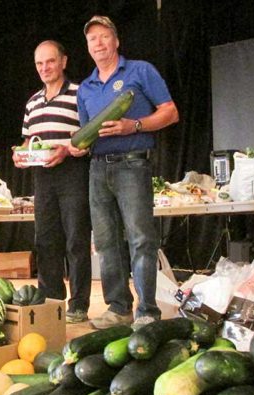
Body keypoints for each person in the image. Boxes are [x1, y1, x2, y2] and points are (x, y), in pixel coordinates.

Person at [74, 16, 179, 329]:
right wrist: (78, 146)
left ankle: (147, 311)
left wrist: (132, 125)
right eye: (92, 39)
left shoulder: (140, 71)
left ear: (116, 41)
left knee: (141, 239)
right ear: (88, 47)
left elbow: (170, 112)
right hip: (97, 167)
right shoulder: (86, 88)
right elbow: (86, 133)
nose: (99, 43)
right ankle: (118, 308)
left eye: (104, 36)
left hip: (133, 165)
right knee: (106, 243)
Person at [13, 40, 92, 323]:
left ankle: (79, 305)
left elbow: (91, 134)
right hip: (43, 176)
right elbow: (28, 140)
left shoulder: (81, 93)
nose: (44, 68)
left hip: (73, 172)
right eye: (39, 63)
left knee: (76, 240)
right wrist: (21, 155)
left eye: (50, 61)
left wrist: (67, 150)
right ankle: (51, 302)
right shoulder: (32, 102)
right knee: (46, 240)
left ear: (63, 62)